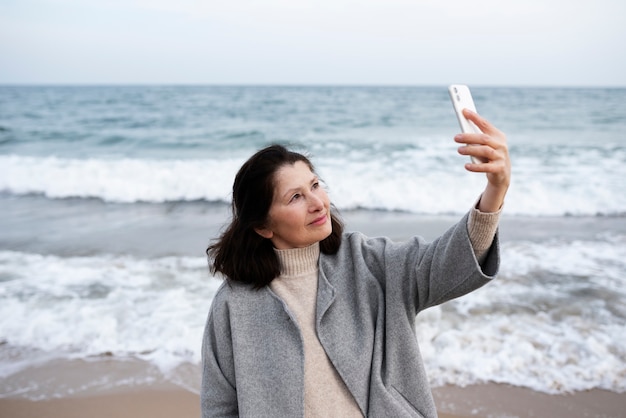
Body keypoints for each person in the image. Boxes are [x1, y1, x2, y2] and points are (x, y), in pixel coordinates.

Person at [202, 108, 511, 418]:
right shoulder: (233, 305)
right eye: (295, 197)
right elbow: (219, 409)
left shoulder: (370, 264)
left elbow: (446, 264)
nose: (317, 203)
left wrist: (495, 190)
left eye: (315, 185)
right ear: (262, 226)